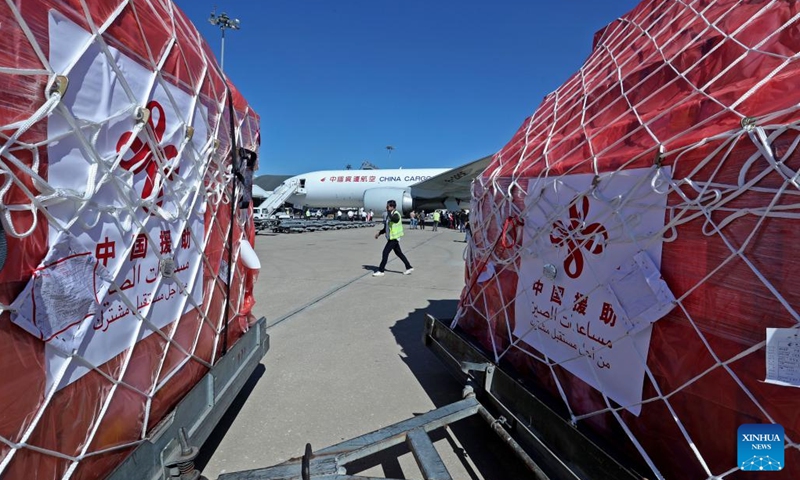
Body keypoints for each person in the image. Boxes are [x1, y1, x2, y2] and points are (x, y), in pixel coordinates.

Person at [372, 200, 413, 277]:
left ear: (392, 207)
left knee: (385, 253)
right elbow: (386, 227)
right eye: (386, 206)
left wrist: (388, 213)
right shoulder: (389, 215)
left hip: (394, 238)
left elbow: (395, 219)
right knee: (399, 253)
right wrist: (379, 233)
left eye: (388, 206)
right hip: (392, 238)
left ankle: (381, 270)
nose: (386, 207)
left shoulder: (396, 214)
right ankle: (409, 267)